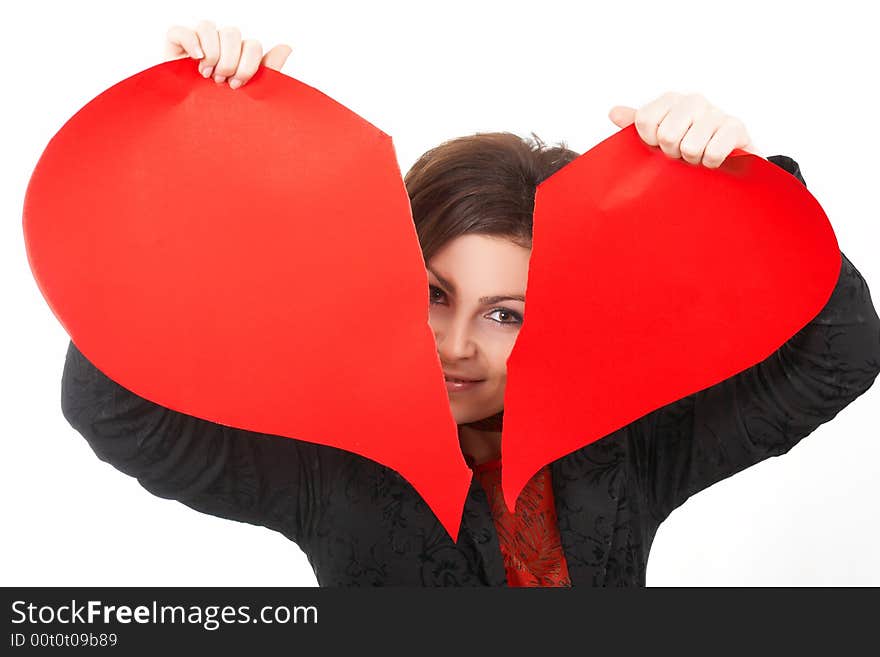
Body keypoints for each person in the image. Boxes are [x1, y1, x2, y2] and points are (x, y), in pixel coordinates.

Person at [60, 21, 880, 586]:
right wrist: (196, 155)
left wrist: (729, 188)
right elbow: (113, 405)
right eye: (433, 294)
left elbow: (840, 350)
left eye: (504, 312)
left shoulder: (625, 452)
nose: (454, 344)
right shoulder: (330, 461)